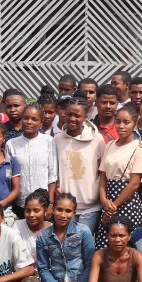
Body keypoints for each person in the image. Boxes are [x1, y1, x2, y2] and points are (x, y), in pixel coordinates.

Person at [97, 105, 142, 244]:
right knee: (105, 243)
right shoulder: (110, 145)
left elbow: (134, 183)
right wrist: (104, 200)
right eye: (118, 122)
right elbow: (102, 176)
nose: (121, 126)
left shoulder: (139, 148)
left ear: (135, 125)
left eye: (126, 122)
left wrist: (114, 206)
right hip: (108, 201)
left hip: (127, 202)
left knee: (125, 245)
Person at [54, 97, 105, 235]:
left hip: (90, 205)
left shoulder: (97, 139)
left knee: (83, 245)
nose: (72, 118)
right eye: (69, 114)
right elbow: (55, 167)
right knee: (67, 244)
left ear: (86, 117)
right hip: (65, 205)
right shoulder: (58, 139)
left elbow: (103, 169)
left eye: (77, 115)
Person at [6, 103, 57, 218]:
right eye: (26, 118)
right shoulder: (11, 144)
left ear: (41, 122)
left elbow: (52, 175)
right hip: (19, 203)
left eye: (34, 119)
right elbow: (9, 175)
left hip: (42, 203)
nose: (29, 122)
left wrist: (51, 203)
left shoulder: (49, 141)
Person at [15, 189, 51, 255]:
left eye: (36, 211)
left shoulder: (53, 230)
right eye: (28, 210)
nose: (31, 215)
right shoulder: (18, 227)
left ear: (45, 212)